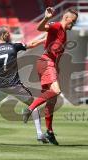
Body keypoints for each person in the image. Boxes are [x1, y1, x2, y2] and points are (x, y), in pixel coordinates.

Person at [22, 7, 78, 145]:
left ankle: (49, 132)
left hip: (47, 64)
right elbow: (41, 28)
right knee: (56, 91)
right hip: (46, 63)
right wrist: (46, 18)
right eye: (74, 21)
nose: (74, 24)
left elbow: (39, 41)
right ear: (67, 18)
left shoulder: (62, 33)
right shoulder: (57, 26)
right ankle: (29, 109)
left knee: (51, 101)